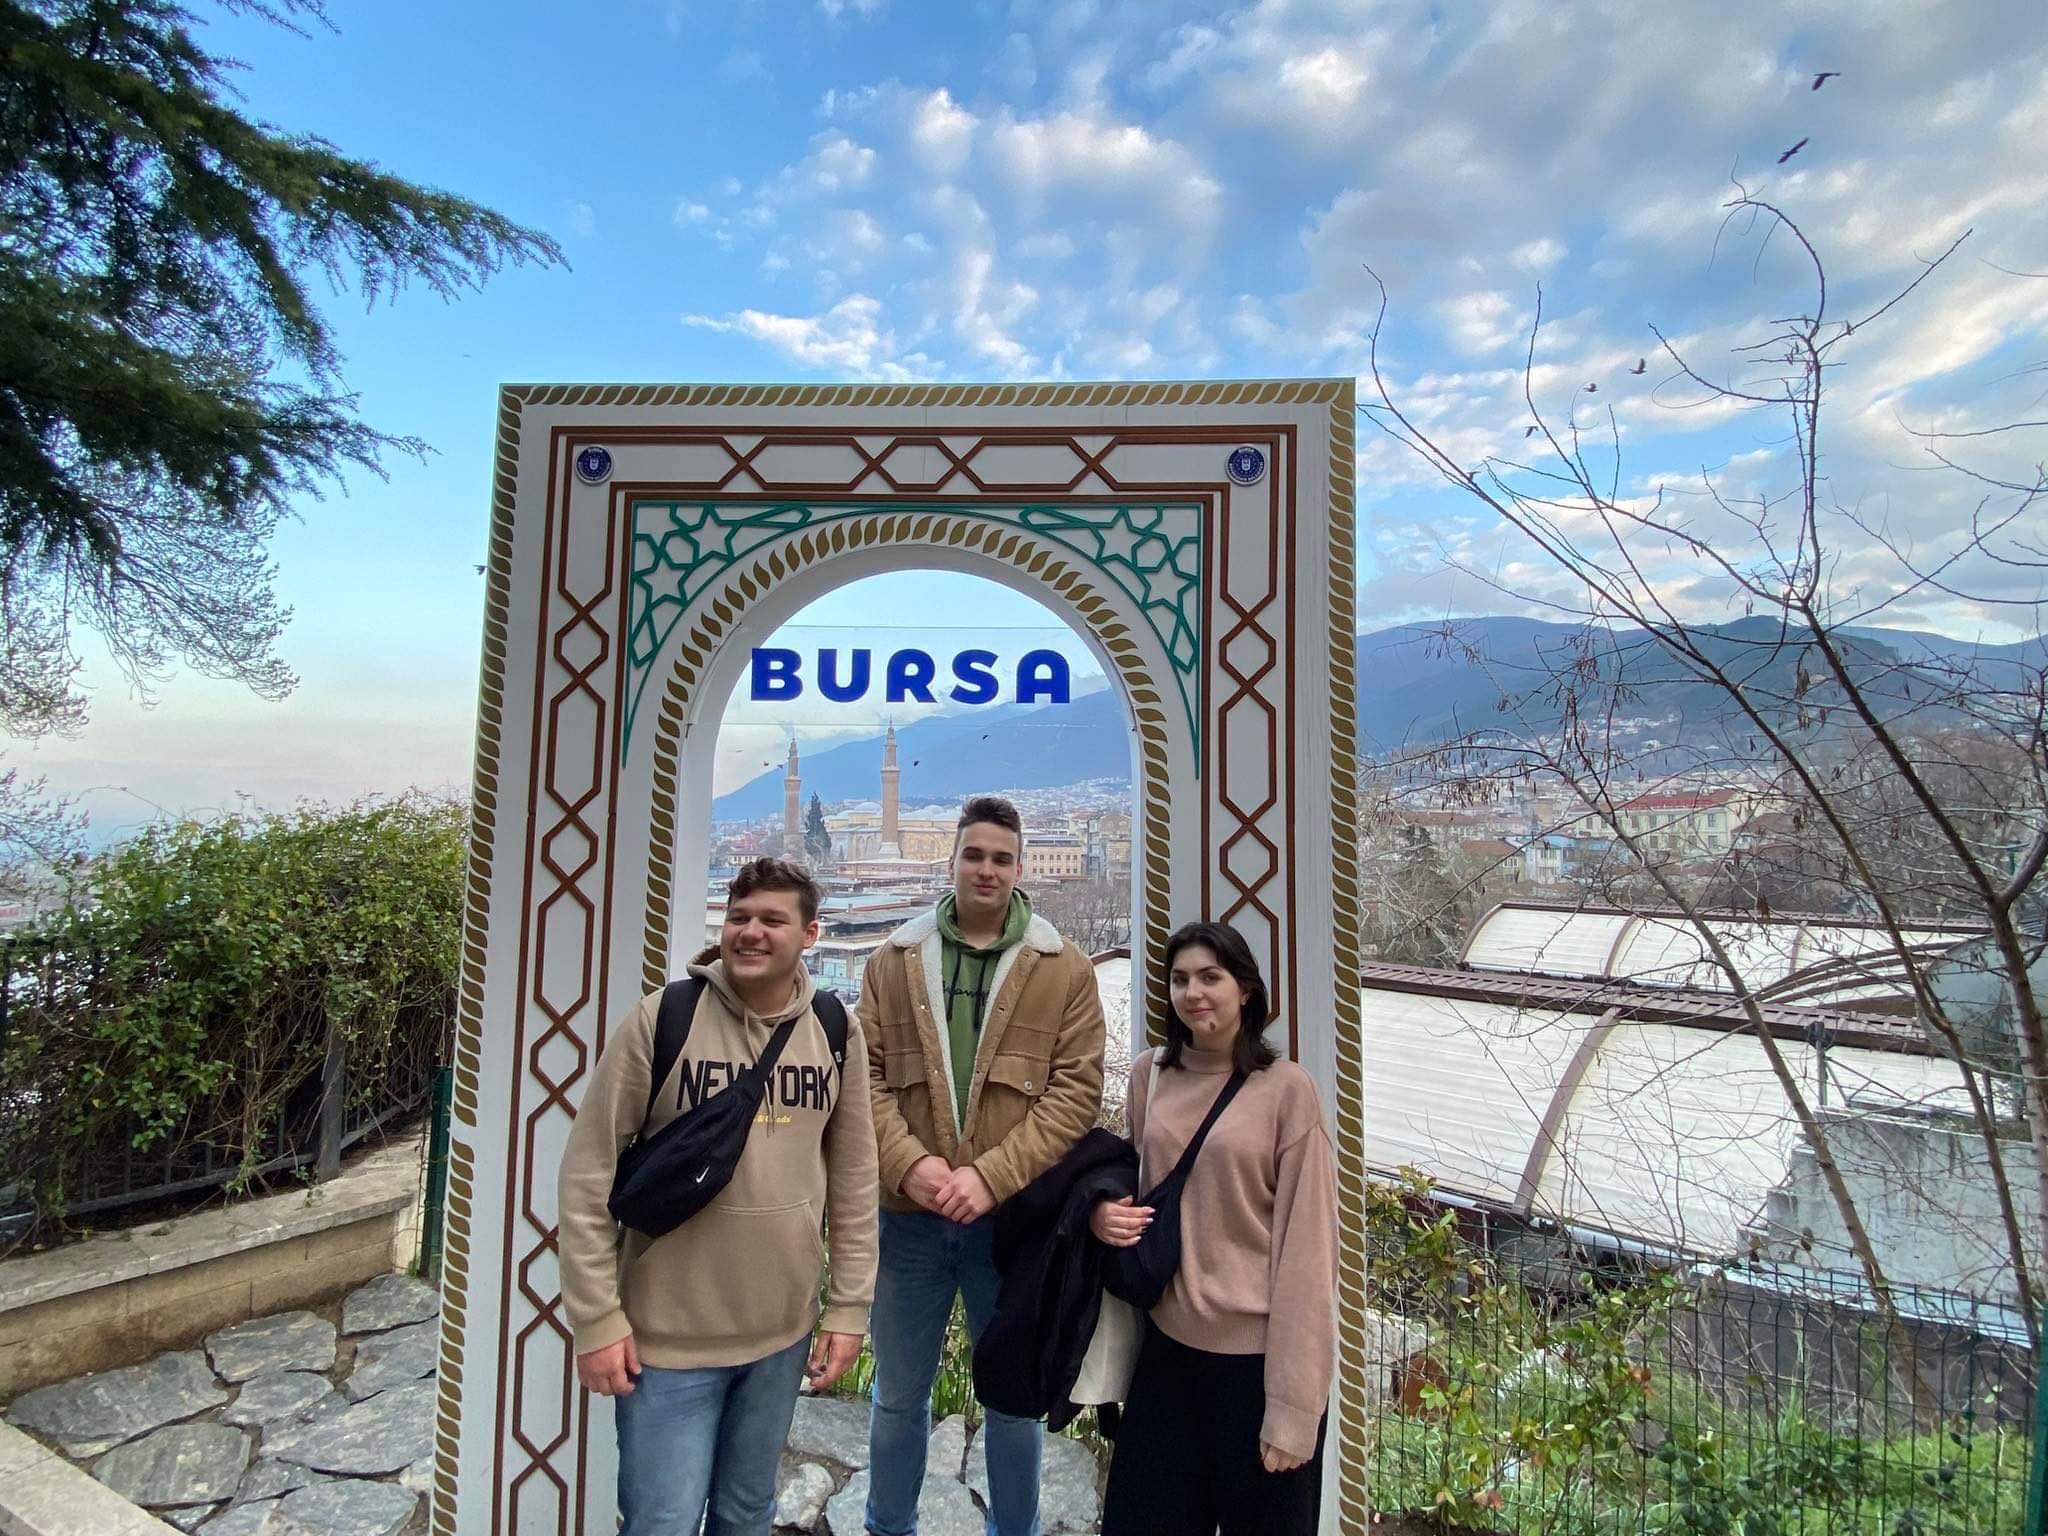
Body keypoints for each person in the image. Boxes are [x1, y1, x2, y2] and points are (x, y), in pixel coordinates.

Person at [556, 857, 878, 1536]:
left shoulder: (834, 1030)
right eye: (739, 917)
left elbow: (854, 1180)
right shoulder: (665, 1019)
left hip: (780, 1336)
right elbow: (587, 1173)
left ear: (810, 935)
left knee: (746, 1513)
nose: (750, 932)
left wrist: (848, 1307)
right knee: (663, 1520)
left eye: (771, 920)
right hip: (666, 1343)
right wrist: (596, 1317)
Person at [861, 794, 1107, 1536]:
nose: (987, 870)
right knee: (897, 1396)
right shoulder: (894, 961)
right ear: (953, 861)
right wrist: (910, 1166)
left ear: (1020, 868)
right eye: (974, 855)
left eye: (1001, 858)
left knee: (1012, 1399)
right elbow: (862, 1078)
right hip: (910, 1220)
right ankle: (888, 1526)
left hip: (1010, 1225)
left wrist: (991, 1177)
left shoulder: (1063, 970)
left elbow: (1075, 1093)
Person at [1094, 920, 1337, 1536]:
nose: (1193, 993)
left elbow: (1308, 1256)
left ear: (1245, 990)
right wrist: (1101, 1212)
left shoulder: (1287, 1092)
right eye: (1180, 980)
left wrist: (1293, 1408)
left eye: (1210, 977)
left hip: (1252, 1369)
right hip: (1166, 1356)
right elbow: (1132, 1178)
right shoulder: (1150, 1075)